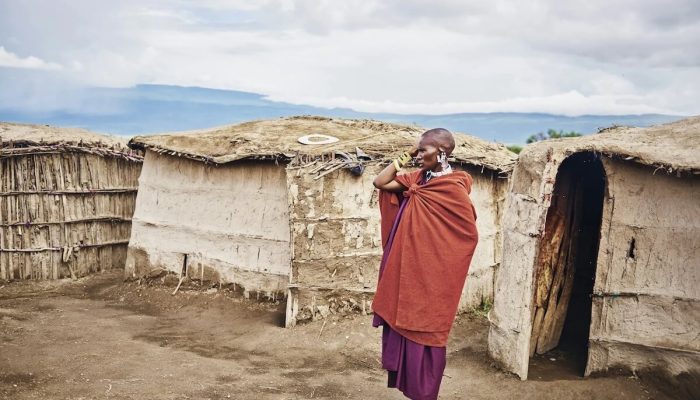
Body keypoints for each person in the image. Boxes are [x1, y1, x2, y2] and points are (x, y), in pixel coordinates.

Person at [371, 128, 479, 400]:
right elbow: (380, 182)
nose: (418, 156)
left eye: (423, 151)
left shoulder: (453, 188)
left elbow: (466, 236)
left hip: (431, 276)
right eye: (417, 151)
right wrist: (407, 153)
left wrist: (436, 263)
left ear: (442, 152)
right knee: (401, 317)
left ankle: (424, 393)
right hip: (406, 271)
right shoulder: (417, 179)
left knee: (426, 327)